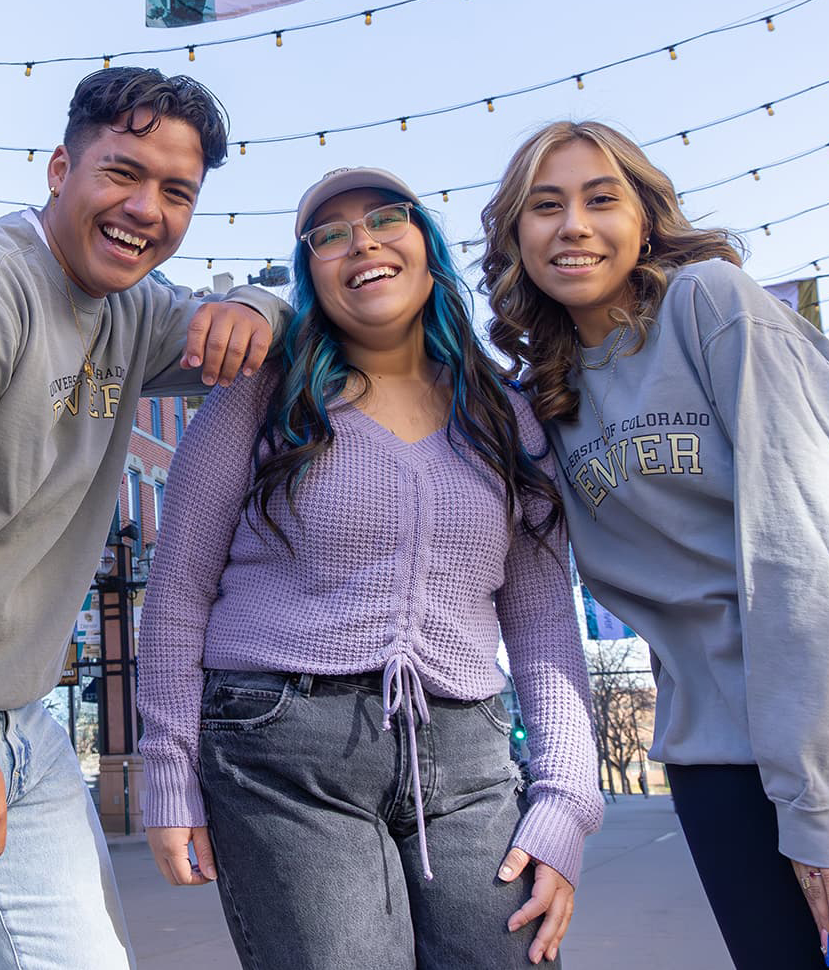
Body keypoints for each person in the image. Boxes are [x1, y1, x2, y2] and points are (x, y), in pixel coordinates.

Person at [478, 120, 829, 970]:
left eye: (600, 199)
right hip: (719, 754)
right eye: (545, 207)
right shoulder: (542, 399)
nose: (573, 224)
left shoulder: (711, 304)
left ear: (645, 219)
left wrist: (806, 800)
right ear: (514, 239)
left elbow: (809, 545)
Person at [0, 68, 288, 969]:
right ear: (57, 169)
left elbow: (275, 329)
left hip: (24, 722)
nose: (145, 208)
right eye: (121, 173)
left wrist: (259, 302)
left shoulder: (136, 308)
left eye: (176, 191)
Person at [137, 167, 602, 970]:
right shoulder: (262, 394)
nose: (362, 243)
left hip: (470, 760)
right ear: (312, 273)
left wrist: (567, 797)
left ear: (426, 247)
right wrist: (167, 769)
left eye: (386, 218)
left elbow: (542, 618)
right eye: (329, 234)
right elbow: (178, 589)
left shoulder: (503, 414)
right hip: (282, 753)